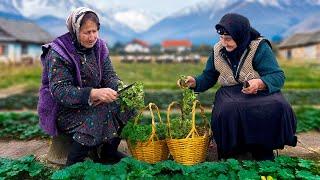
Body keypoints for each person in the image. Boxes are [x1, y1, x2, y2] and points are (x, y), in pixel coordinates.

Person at [183, 13, 297, 160]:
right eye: (221, 38)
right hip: (230, 92)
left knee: (277, 105)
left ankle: (264, 148)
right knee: (227, 109)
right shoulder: (217, 50)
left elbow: (277, 76)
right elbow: (209, 76)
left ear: (240, 35)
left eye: (228, 39)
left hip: (259, 91)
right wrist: (196, 82)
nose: (224, 42)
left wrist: (259, 83)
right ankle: (233, 152)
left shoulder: (258, 47)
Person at [37, 7, 134, 166]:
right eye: (86, 32)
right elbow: (60, 91)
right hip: (63, 109)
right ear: (75, 31)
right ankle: (73, 163)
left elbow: (109, 75)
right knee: (98, 114)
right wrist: (93, 94)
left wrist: (118, 88)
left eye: (95, 31)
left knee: (126, 106)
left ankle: (107, 152)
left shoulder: (100, 47)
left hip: (93, 102)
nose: (92, 37)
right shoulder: (59, 52)